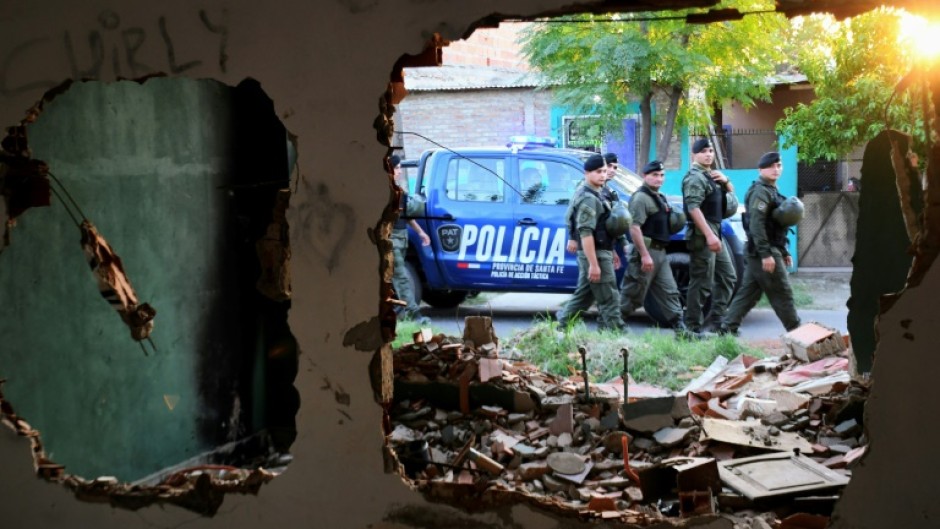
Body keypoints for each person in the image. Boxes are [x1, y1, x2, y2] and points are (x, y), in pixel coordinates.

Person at [719, 152, 801, 335]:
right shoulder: (761, 192)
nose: (775, 169)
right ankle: (797, 333)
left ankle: (726, 329)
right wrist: (766, 254)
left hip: (766, 250)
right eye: (771, 166)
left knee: (748, 294)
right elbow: (756, 225)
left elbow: (776, 226)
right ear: (760, 170)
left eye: (778, 165)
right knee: (782, 293)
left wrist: (784, 251)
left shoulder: (771, 190)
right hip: (763, 252)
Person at [619, 160, 695, 338]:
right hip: (646, 252)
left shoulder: (659, 197)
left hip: (660, 253)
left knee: (669, 291)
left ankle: (680, 329)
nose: (659, 179)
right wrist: (644, 255)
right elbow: (634, 228)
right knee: (633, 293)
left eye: (661, 175)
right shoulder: (640, 198)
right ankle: (612, 324)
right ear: (645, 176)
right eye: (654, 175)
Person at [555, 154, 626, 331]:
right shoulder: (588, 197)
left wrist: (613, 251)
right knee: (610, 297)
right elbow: (585, 233)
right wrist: (594, 264)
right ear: (586, 173)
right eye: (598, 172)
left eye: (604, 171)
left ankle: (561, 327)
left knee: (585, 296)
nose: (603, 175)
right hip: (596, 254)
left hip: (603, 251)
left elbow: (605, 228)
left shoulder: (600, 193)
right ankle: (618, 334)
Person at [681, 138, 738, 333]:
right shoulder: (695, 177)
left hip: (714, 231)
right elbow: (693, 208)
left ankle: (717, 321)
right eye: (703, 151)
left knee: (728, 277)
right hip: (703, 234)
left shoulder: (710, 176)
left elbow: (728, 201)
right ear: (694, 155)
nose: (708, 154)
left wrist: (727, 181)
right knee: (702, 282)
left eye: (711, 151)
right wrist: (709, 235)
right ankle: (692, 328)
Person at [389, 155, 432, 324]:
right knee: (401, 277)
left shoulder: (397, 191)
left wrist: (421, 233)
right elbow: (413, 208)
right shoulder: (387, 192)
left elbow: (406, 215)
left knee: (395, 279)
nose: (399, 171)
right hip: (390, 242)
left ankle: (397, 312)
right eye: (397, 167)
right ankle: (414, 315)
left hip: (400, 240)